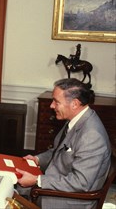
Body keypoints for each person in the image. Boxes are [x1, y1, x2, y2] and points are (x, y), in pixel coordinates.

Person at [16, 78, 111, 208]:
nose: (51, 106)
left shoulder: (92, 136)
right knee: (5, 181)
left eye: (56, 101)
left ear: (75, 104)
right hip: (59, 185)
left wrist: (37, 180)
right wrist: (37, 159)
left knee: (10, 191)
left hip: (70, 200)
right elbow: (58, 151)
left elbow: (81, 183)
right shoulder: (75, 120)